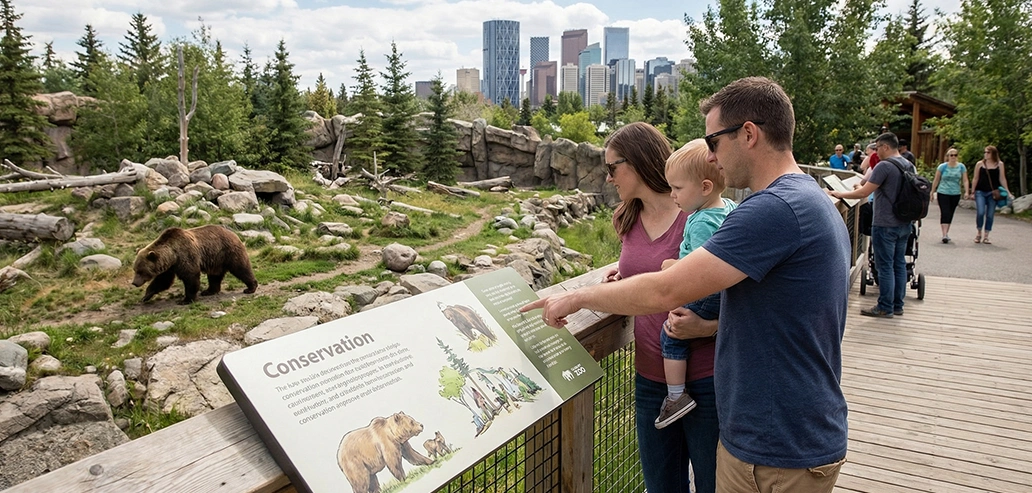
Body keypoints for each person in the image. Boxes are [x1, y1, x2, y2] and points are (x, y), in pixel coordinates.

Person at [523, 77, 850, 493]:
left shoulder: (774, 210)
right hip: (783, 435)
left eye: (714, 142)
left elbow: (666, 290)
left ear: (748, 134)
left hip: (777, 449)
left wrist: (576, 297)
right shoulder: (808, 198)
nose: (710, 156)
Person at [597, 122, 720, 493]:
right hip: (651, 377)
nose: (608, 178)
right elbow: (646, 271)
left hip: (706, 377)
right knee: (661, 486)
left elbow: (738, 289)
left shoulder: (698, 212)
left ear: (636, 162)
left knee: (713, 484)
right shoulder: (626, 218)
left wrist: (710, 326)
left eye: (612, 167)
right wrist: (623, 277)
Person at [653, 139, 737, 431]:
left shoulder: (701, 221)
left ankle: (676, 396)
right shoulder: (728, 207)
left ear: (704, 187)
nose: (672, 195)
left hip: (707, 291)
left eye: (677, 188)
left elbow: (701, 269)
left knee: (671, 333)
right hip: (724, 290)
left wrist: (672, 266)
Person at [830, 132, 913, 318]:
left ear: (886, 147)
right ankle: (897, 305)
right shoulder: (908, 164)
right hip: (904, 223)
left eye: (878, 148)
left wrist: (839, 194)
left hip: (885, 223)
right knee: (899, 263)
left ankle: (885, 307)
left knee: (885, 266)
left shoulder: (884, 166)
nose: (876, 152)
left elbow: (864, 192)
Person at [970, 145, 1012, 244]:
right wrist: (972, 191)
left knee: (990, 214)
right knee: (980, 212)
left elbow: (1002, 179)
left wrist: (1008, 191)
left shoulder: (999, 164)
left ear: (993, 153)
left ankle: (986, 235)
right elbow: (975, 178)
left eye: (988, 152)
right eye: (985, 152)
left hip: (993, 192)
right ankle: (979, 232)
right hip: (980, 191)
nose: (986, 154)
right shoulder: (980, 164)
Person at [930, 148, 970, 243]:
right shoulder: (942, 167)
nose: (953, 157)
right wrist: (932, 191)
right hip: (943, 192)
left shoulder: (961, 167)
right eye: (951, 155)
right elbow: (936, 179)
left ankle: (946, 232)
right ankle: (944, 234)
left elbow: (965, 180)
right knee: (945, 212)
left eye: (955, 155)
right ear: (948, 156)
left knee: (950, 213)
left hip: (955, 193)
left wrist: (966, 191)